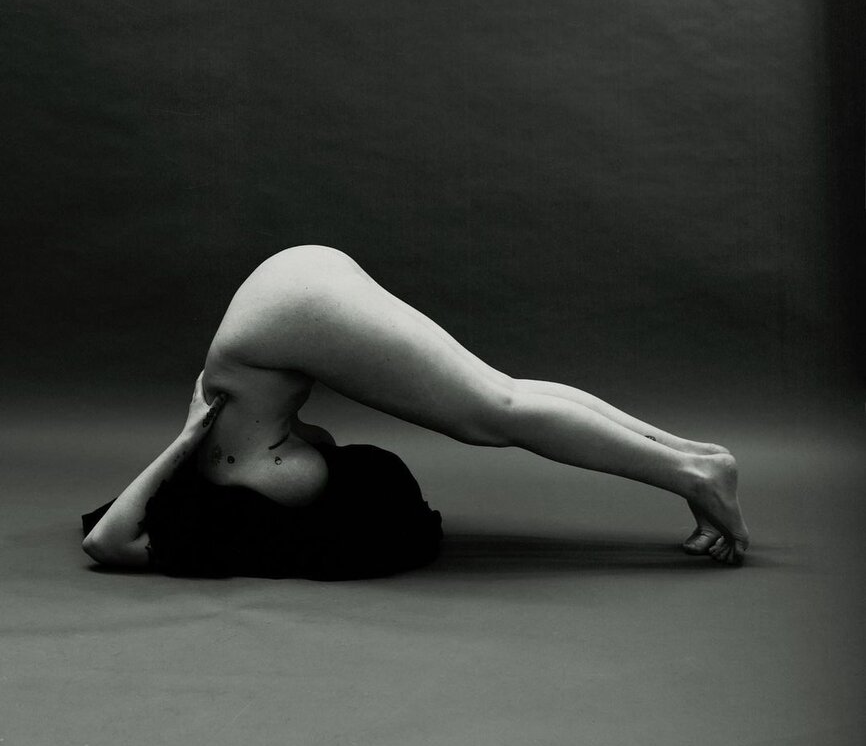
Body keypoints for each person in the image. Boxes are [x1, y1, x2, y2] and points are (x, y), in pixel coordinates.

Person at [81, 245, 749, 577]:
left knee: (497, 411)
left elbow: (106, 542)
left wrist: (182, 443)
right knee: (502, 395)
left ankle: (692, 475)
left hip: (289, 313)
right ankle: (696, 459)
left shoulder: (204, 488)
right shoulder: (228, 458)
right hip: (286, 293)